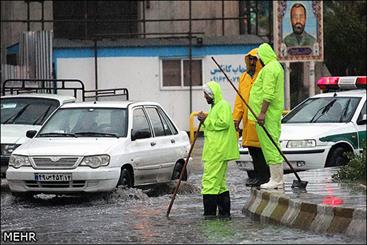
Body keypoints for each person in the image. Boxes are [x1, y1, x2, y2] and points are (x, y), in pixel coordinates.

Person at [197, 81, 239, 218]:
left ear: (212, 94)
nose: (205, 97)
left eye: (206, 94)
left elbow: (224, 123)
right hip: (216, 150)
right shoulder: (216, 107)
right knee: (220, 184)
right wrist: (207, 118)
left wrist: (205, 121)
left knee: (209, 182)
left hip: (217, 151)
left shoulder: (223, 105)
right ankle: (224, 215)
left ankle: (209, 215)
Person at [248, 43, 284, 189]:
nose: (258, 61)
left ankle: (276, 179)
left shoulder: (269, 69)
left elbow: (268, 93)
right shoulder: (276, 67)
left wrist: (262, 113)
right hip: (271, 114)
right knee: (273, 144)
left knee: (270, 146)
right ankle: (277, 177)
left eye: (259, 58)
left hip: (267, 115)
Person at [232, 48, 270, 187]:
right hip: (248, 121)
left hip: (259, 120)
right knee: (252, 150)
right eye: (250, 59)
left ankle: (265, 176)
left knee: (261, 151)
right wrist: (236, 119)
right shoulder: (244, 77)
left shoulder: (263, 75)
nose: (252, 62)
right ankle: (258, 175)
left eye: (255, 59)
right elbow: (239, 101)